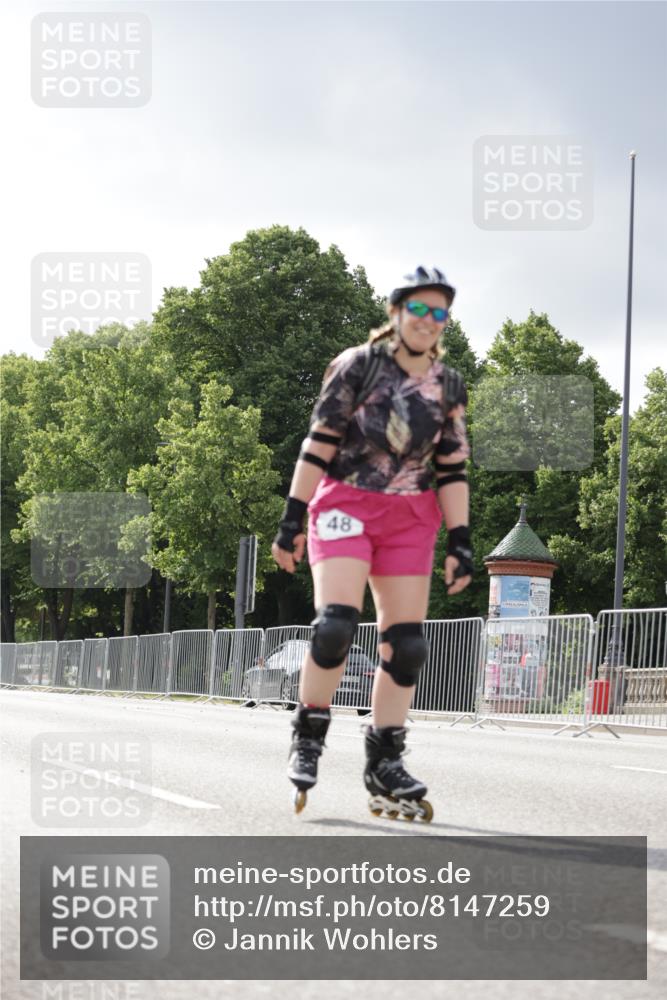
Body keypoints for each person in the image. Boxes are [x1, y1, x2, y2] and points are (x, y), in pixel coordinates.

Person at [271, 266, 473, 821]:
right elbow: (319, 442)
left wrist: (461, 540)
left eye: (439, 312)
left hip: (410, 516)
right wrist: (292, 518)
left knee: (406, 646)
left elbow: (452, 467)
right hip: (345, 504)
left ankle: (385, 760)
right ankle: (309, 732)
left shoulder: (448, 384)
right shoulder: (357, 365)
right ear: (396, 312)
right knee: (335, 626)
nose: (429, 320)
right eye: (419, 308)